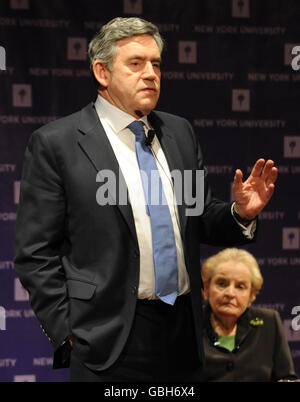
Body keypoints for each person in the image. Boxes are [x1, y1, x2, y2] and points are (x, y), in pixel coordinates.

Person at [14, 17, 278, 382]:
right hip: (106, 337)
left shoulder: (179, 133)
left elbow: (198, 215)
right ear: (102, 72)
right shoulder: (56, 143)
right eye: (136, 64)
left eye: (156, 64)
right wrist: (69, 330)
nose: (151, 74)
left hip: (181, 334)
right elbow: (34, 253)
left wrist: (240, 214)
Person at [201, 248, 297, 382]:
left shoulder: (269, 321)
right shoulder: (190, 324)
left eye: (240, 286)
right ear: (206, 288)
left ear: (251, 295)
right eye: (221, 283)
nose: (230, 293)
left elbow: (286, 377)